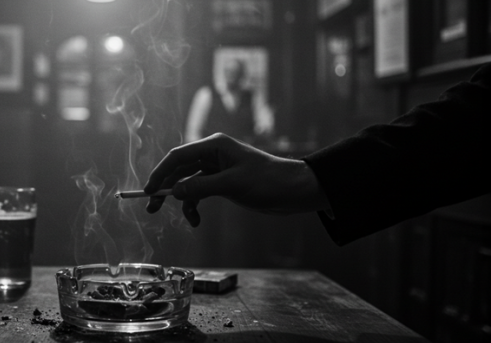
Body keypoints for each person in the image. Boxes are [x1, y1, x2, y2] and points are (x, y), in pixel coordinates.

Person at [144, 63, 491, 245]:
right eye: (229, 73)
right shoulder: (208, 94)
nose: (233, 77)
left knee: (244, 233)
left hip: (232, 175)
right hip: (213, 175)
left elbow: (465, 123)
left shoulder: (250, 95)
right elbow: (468, 121)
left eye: (238, 73)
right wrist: (303, 179)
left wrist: (300, 177)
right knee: (215, 233)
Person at [184, 56, 273, 144]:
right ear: (224, 72)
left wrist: (263, 129)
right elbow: (193, 132)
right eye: (228, 71)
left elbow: (265, 123)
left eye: (236, 72)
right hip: (213, 153)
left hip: (242, 153)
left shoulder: (251, 97)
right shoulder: (206, 94)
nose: (232, 75)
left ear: (242, 74)